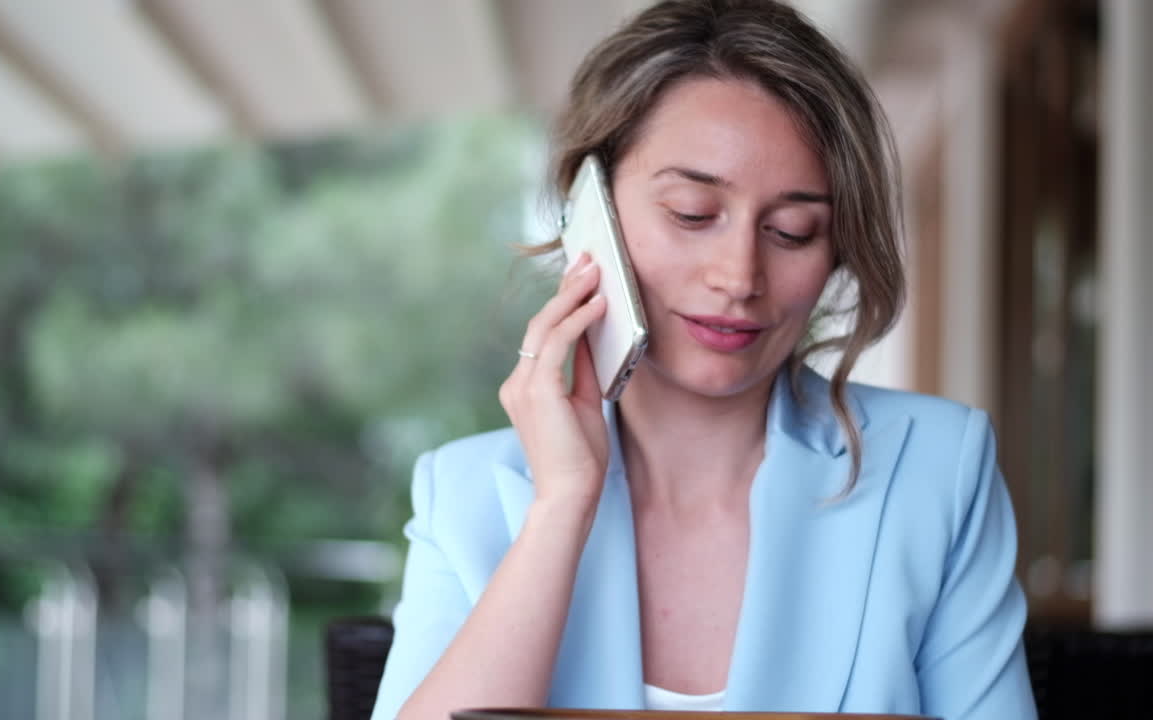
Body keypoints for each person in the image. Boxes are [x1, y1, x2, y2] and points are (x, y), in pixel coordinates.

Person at [371, 1, 1037, 719]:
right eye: (692, 213)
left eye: (793, 231)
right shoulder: (465, 494)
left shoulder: (939, 471)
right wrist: (561, 506)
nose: (739, 275)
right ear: (590, 212)